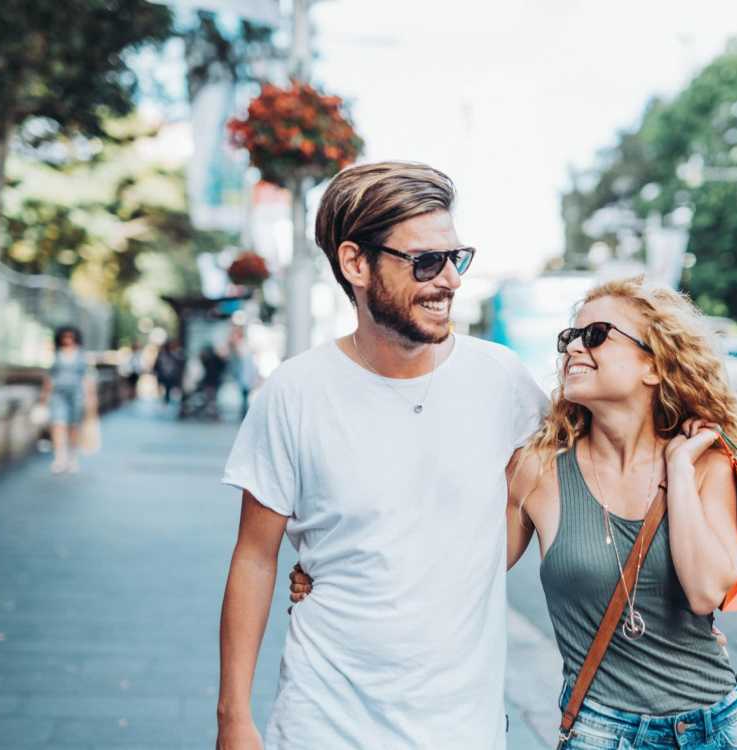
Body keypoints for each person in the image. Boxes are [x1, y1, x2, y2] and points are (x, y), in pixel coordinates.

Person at [292, 277, 737, 749]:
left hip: (713, 727)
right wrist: (335, 567)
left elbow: (705, 593)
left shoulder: (704, 463)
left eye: (595, 335)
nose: (574, 347)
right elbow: (458, 568)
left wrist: (677, 470)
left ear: (653, 366)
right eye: (569, 337)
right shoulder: (539, 472)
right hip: (601, 732)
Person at [215, 161, 548, 749]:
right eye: (425, 262)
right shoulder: (293, 393)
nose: (449, 280)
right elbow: (254, 558)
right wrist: (234, 719)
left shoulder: (503, 381)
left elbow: (564, 500)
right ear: (355, 263)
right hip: (324, 721)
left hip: (461, 729)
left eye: (455, 258)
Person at [38, 326, 98, 474]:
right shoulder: (56, 355)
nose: (68, 340)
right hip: (58, 395)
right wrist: (44, 398)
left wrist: (90, 398)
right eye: (65, 337)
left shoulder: (82, 356)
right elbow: (50, 378)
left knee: (73, 427)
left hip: (76, 395)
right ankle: (60, 458)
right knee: (58, 425)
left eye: (71, 337)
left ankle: (72, 457)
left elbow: (87, 378)